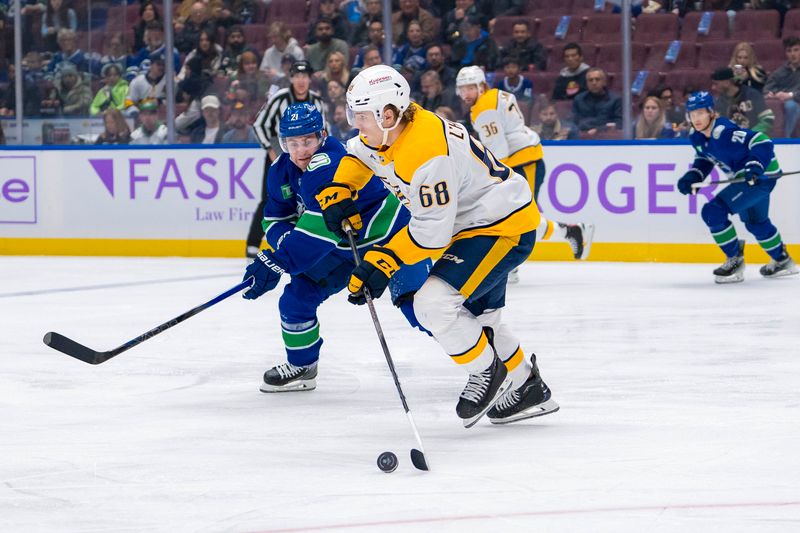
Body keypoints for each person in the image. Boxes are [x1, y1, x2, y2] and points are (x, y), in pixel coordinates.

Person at [315, 65, 560, 426]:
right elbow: (358, 154)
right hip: (476, 223)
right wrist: (341, 189)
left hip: (500, 227)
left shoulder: (427, 151)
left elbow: (431, 234)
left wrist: (383, 262)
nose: (355, 123)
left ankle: (485, 371)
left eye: (361, 115)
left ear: (387, 113)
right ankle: (527, 388)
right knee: (479, 318)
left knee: (433, 303)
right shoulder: (387, 130)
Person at [241, 103, 430, 392]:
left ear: (323, 136)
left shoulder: (332, 161)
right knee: (297, 297)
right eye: (293, 143)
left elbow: (320, 229)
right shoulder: (281, 170)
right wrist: (283, 246)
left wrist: (279, 260)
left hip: (392, 240)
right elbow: (276, 218)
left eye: (308, 141)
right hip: (341, 247)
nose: (301, 150)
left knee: (424, 308)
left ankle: (489, 361)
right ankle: (302, 367)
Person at [456, 65, 594, 265]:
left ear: (481, 86)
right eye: (462, 88)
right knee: (516, 216)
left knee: (521, 217)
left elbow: (498, 149)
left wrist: (490, 178)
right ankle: (570, 231)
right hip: (523, 160)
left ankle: (569, 232)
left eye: (470, 87)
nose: (465, 93)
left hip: (523, 162)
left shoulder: (484, 108)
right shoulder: (495, 95)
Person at [676, 91, 798, 283]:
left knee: (713, 211)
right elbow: (705, 158)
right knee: (756, 222)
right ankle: (782, 260)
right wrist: (694, 176)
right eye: (692, 114)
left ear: (711, 112)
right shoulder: (696, 136)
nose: (696, 118)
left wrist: (755, 165)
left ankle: (735, 260)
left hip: (760, 177)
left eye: (700, 112)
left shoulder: (724, 131)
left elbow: (762, 141)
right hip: (747, 179)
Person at [249, 60, 327, 258]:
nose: (301, 80)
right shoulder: (280, 98)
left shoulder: (317, 100)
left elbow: (324, 131)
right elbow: (260, 125)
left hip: (311, 157)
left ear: (310, 78)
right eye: (296, 76)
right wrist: (271, 150)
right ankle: (252, 244)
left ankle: (310, 240)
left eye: (304, 76)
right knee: (270, 198)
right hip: (280, 156)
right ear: (291, 78)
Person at [711, 67, 774, 134]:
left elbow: (768, 119)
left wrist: (750, 135)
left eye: (716, 83)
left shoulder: (752, 95)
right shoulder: (720, 102)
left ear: (726, 83)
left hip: (754, 140)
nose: (713, 87)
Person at [764, 36, 800, 138]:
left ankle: (785, 139)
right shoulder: (780, 72)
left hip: (795, 102)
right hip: (785, 103)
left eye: (796, 50)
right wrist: (772, 94)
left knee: (791, 106)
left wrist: (790, 95)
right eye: (789, 51)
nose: (793, 54)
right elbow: (767, 88)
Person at [572, 68, 623, 135]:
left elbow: (620, 123)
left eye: (597, 79)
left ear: (604, 82)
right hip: (583, 138)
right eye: (590, 80)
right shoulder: (579, 99)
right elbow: (574, 121)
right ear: (586, 83)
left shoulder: (616, 100)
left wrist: (599, 129)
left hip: (607, 138)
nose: (594, 83)